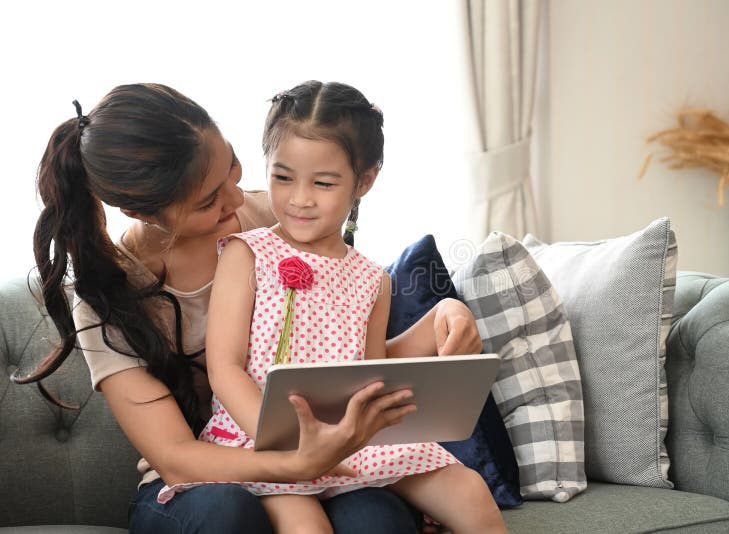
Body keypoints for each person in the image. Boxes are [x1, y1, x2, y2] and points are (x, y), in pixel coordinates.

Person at [14, 82, 484, 534]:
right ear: (140, 212)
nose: (238, 200)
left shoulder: (283, 218)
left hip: (313, 451)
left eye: (234, 170)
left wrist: (445, 315)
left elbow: (348, 360)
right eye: (209, 200)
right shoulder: (105, 299)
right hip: (204, 476)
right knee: (228, 510)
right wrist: (294, 462)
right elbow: (177, 457)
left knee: (375, 517)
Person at [155, 81, 507, 534]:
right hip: (266, 440)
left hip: (351, 439)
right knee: (307, 528)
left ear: (364, 180)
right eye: (282, 177)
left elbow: (372, 368)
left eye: (322, 183)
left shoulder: (371, 278)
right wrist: (284, 444)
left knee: (470, 489)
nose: (300, 198)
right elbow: (225, 369)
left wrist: (447, 314)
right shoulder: (247, 252)